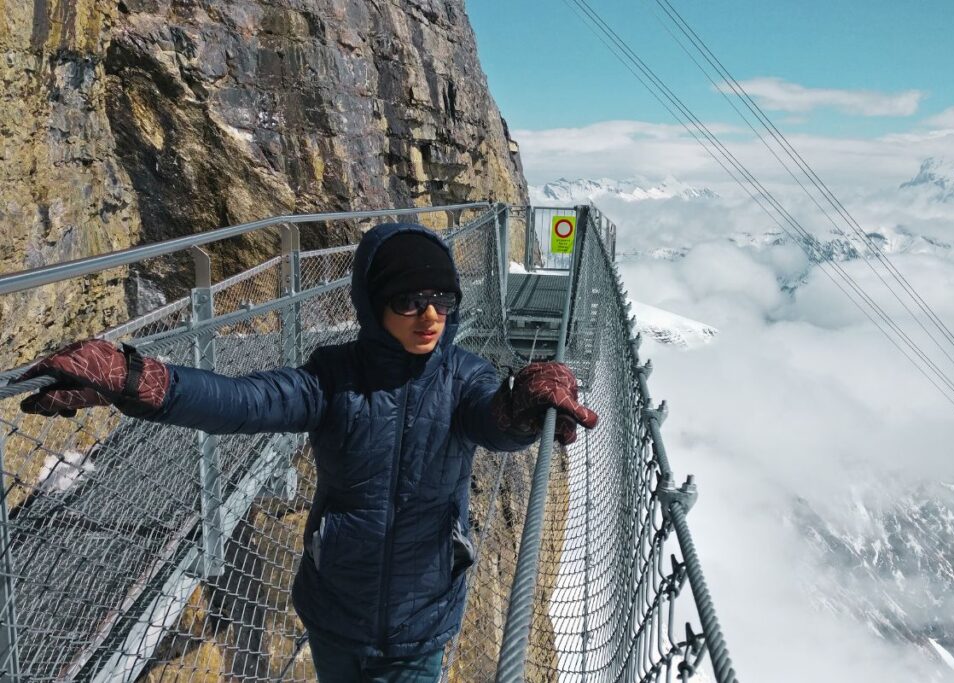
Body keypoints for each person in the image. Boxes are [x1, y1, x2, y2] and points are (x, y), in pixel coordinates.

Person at [19, 222, 599, 683]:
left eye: (442, 299)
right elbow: (245, 402)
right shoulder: (333, 378)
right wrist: (136, 379)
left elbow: (493, 420)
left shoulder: (464, 377)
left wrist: (524, 401)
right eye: (408, 300)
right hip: (335, 613)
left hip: (420, 624)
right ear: (374, 305)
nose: (431, 317)